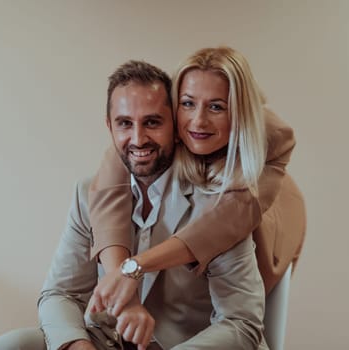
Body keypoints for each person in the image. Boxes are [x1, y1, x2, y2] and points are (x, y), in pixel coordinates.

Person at [0, 60, 268, 350]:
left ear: (175, 126)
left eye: (152, 122)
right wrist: (77, 345)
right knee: (10, 345)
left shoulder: (223, 202)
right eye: (125, 123)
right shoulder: (89, 194)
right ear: (110, 127)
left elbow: (241, 322)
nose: (138, 139)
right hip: (109, 341)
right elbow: (61, 293)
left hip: (189, 344)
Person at [88, 46, 306, 318]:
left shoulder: (273, 137)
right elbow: (110, 189)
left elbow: (223, 223)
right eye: (188, 103)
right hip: (209, 202)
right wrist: (123, 285)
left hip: (264, 214)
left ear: (239, 111)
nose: (198, 121)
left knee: (239, 317)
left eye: (216, 107)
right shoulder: (148, 129)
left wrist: (136, 266)